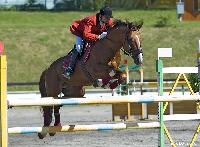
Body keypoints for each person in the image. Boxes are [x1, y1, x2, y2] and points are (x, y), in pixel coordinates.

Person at [63, 6, 113, 79]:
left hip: (95, 34)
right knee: (79, 48)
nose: (108, 19)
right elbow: (86, 34)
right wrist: (98, 37)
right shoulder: (91, 20)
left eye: (109, 18)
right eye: (106, 17)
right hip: (81, 33)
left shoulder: (108, 21)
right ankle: (69, 69)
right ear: (101, 15)